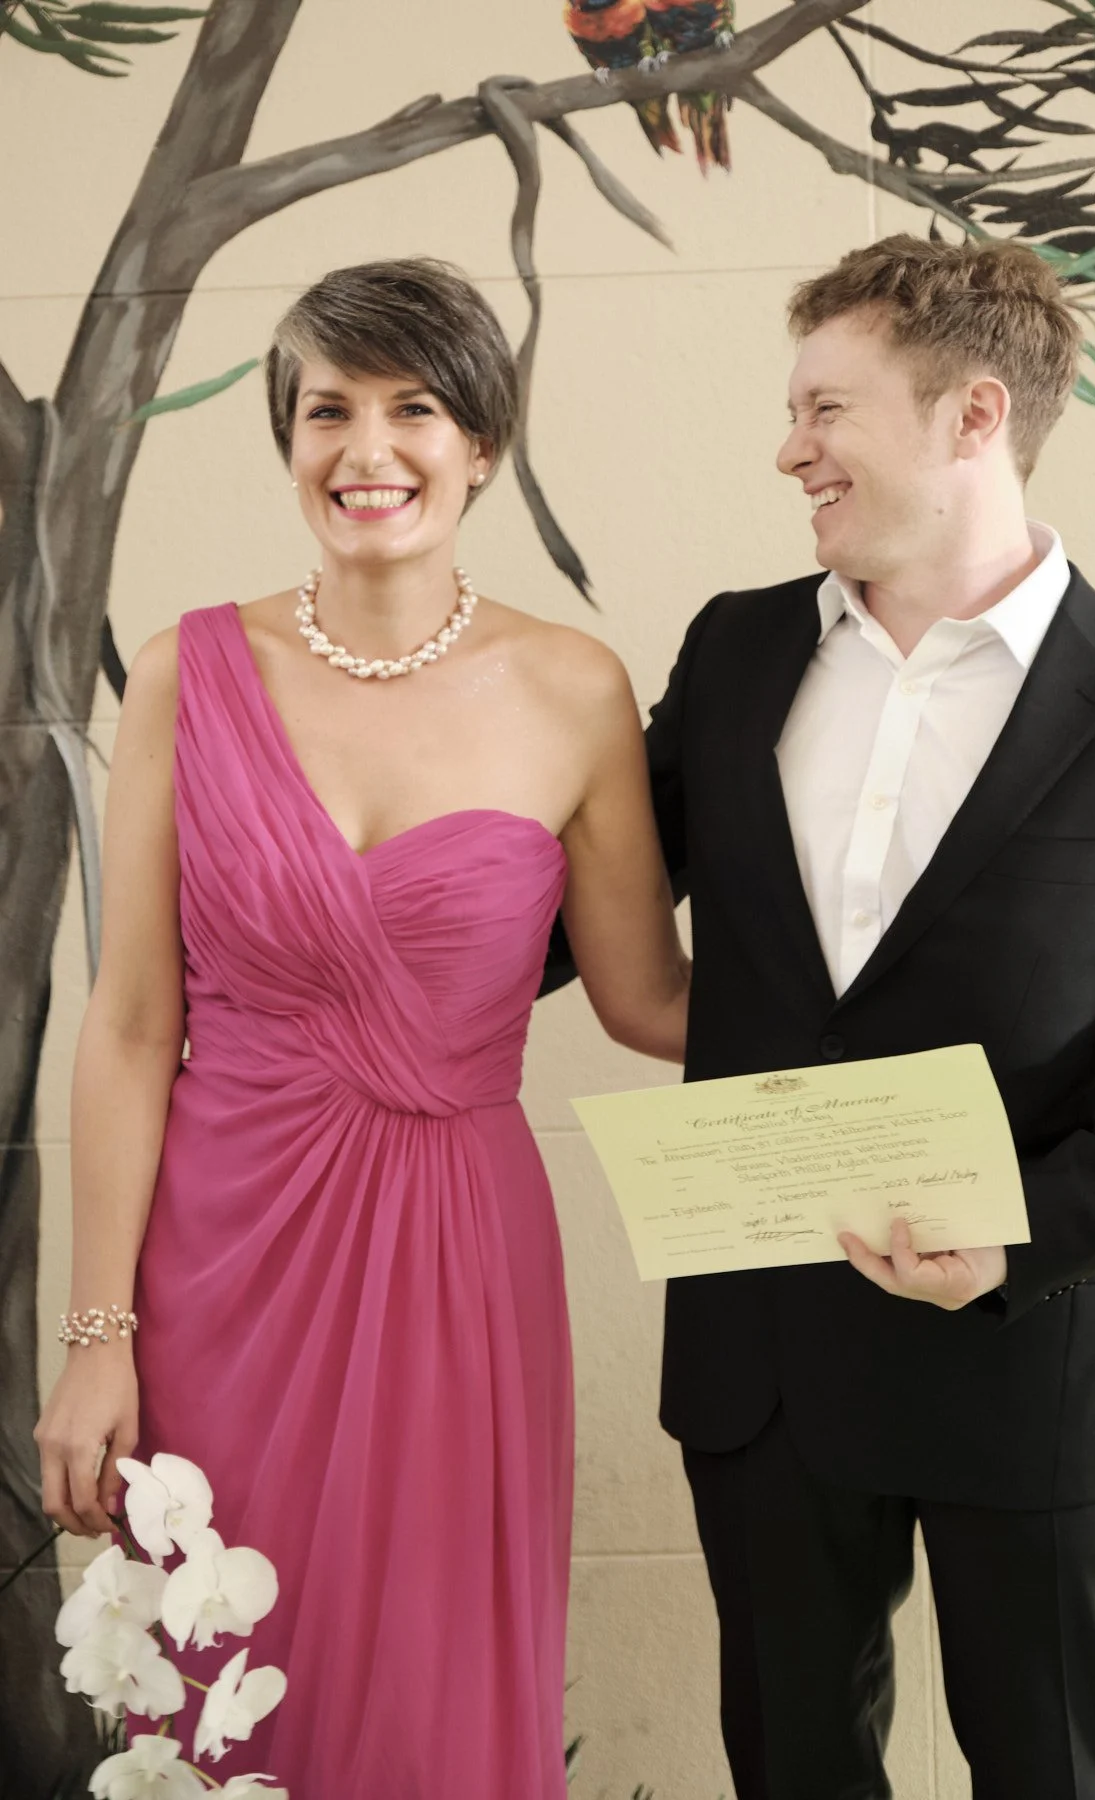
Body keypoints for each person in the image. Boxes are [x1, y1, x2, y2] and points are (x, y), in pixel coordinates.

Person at [34, 258, 690, 1800]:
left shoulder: (575, 686)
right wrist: (95, 1336)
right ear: (285, 437)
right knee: (223, 1691)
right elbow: (129, 1026)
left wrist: (917, 1022)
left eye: (416, 409)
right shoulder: (187, 674)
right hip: (216, 1265)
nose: (368, 450)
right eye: (328, 409)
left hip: (457, 1256)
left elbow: (646, 999)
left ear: (482, 445)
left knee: (433, 1692)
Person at [633, 236, 1095, 1798]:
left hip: (1026, 1354)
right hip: (761, 1363)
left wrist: (1019, 1234)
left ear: (971, 416)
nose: (787, 447)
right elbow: (576, 908)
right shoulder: (736, 650)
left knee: (1053, 1773)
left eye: (828, 406)